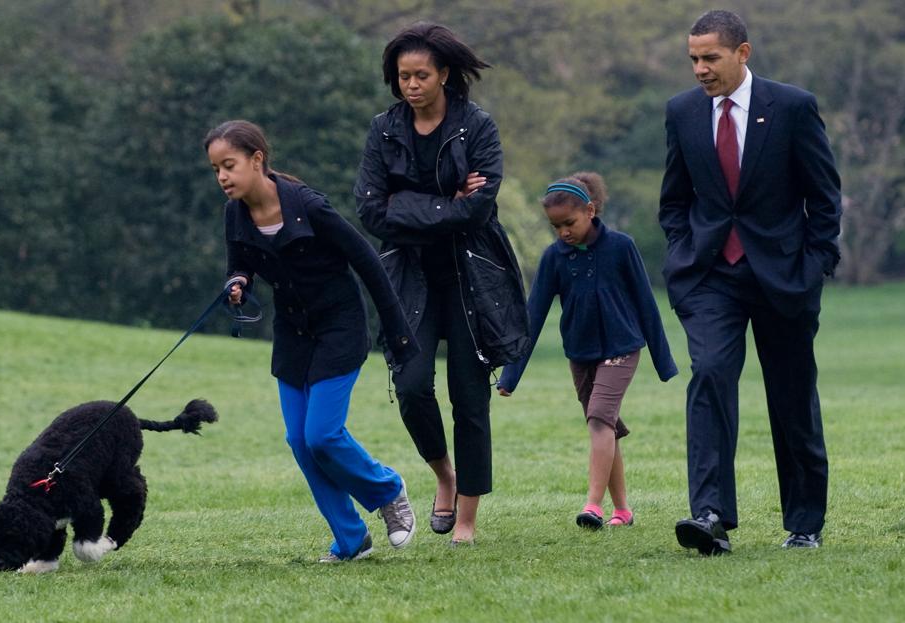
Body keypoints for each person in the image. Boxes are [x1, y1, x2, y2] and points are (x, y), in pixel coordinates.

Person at [659, 10, 841, 554]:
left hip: (784, 278)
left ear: (743, 53)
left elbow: (825, 198)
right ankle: (711, 515)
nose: (699, 69)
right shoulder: (682, 112)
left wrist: (813, 268)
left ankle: (805, 523)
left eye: (710, 57)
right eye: (693, 58)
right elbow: (675, 201)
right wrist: (681, 255)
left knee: (792, 396)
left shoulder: (791, 107)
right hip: (711, 276)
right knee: (710, 376)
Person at [205, 120, 420, 562]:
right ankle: (350, 539)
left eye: (229, 165)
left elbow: (367, 262)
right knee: (300, 442)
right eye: (215, 169)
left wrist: (397, 332)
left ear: (257, 159)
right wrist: (238, 280)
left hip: (339, 327)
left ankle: (388, 490)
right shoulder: (235, 214)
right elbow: (238, 261)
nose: (222, 177)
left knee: (322, 435)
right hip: (292, 334)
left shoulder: (307, 206)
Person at [354, 22, 529, 545]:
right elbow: (369, 210)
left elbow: (479, 209)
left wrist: (410, 205)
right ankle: (444, 475)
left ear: (444, 74)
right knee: (410, 387)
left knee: (469, 397)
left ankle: (468, 520)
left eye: (421, 75)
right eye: (403, 75)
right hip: (407, 277)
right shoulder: (383, 130)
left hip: (471, 275)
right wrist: (446, 203)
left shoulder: (476, 126)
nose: (411, 84)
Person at [497, 173, 678, 530]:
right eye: (555, 226)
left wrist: (663, 361)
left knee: (598, 418)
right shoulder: (553, 258)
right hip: (580, 353)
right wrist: (511, 375)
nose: (563, 232)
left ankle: (592, 506)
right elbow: (532, 317)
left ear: (590, 210)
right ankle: (622, 511)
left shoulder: (621, 247)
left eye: (569, 223)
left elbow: (645, 302)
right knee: (604, 426)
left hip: (622, 348)